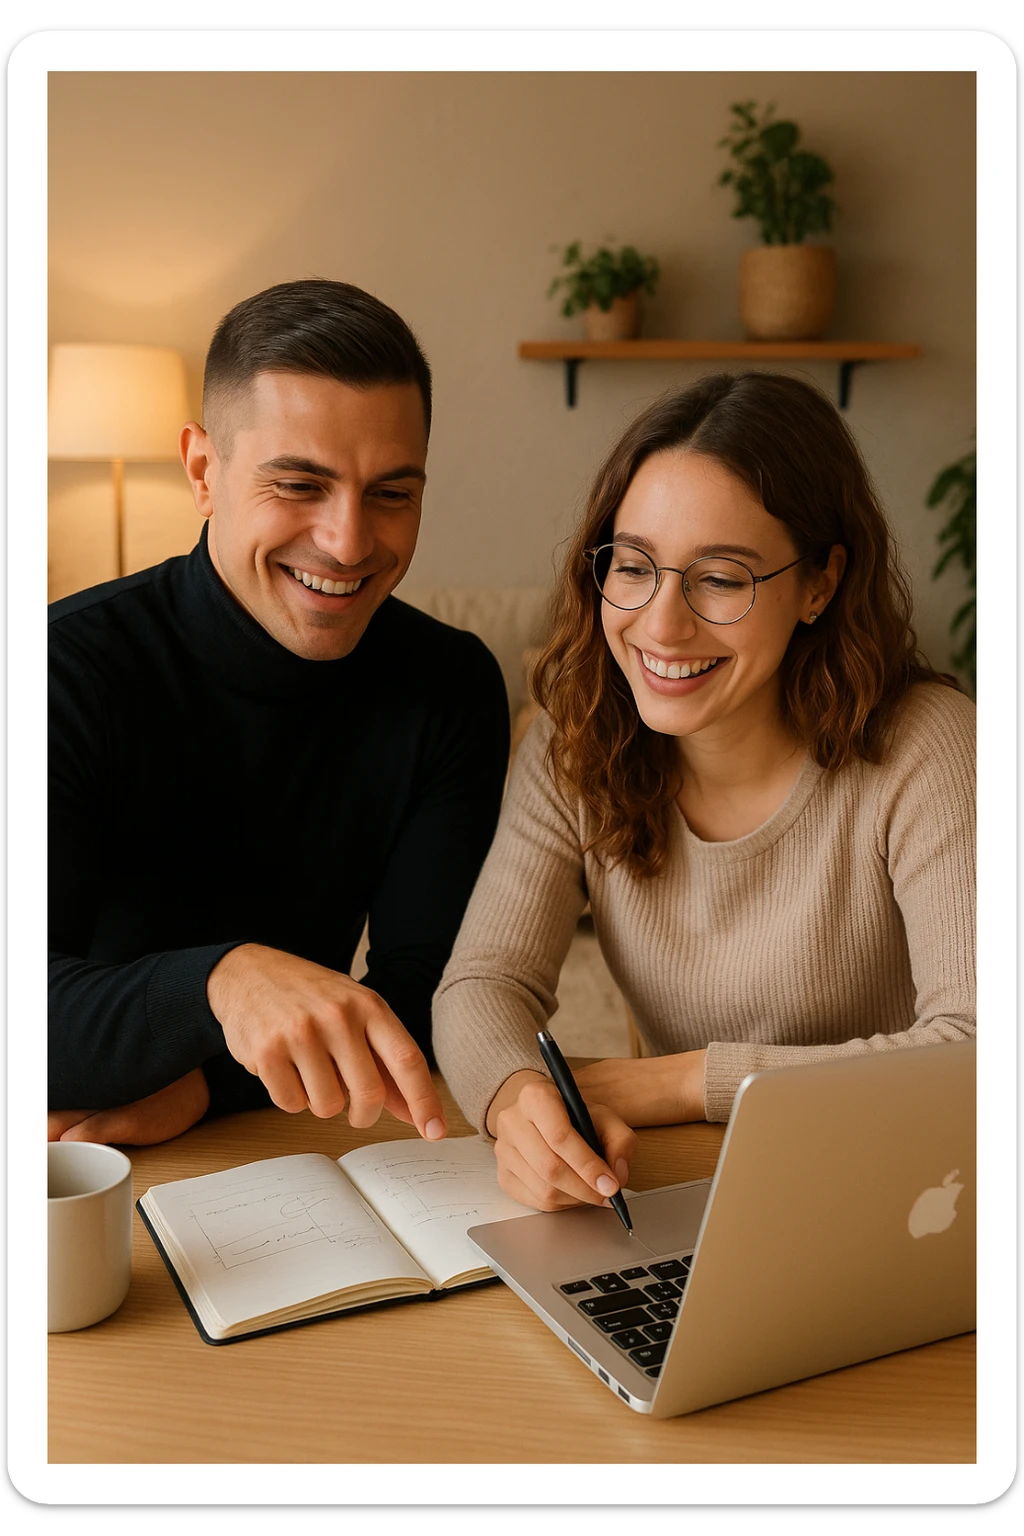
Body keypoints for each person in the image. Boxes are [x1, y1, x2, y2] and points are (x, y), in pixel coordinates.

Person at [432, 370, 976, 1214]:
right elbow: (481, 985)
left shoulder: (928, 746)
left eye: (721, 578)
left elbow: (976, 1054)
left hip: (909, 1196)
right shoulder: (572, 743)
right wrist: (518, 1104)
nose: (661, 624)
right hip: (700, 1195)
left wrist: (679, 1082)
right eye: (634, 565)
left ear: (821, 585)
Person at [48, 278, 510, 1147]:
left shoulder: (449, 684)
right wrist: (224, 981)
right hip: (72, 1156)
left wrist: (199, 1089)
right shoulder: (61, 672)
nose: (348, 542)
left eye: (391, 493)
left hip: (278, 1128)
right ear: (202, 471)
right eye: (300, 484)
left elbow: (430, 997)